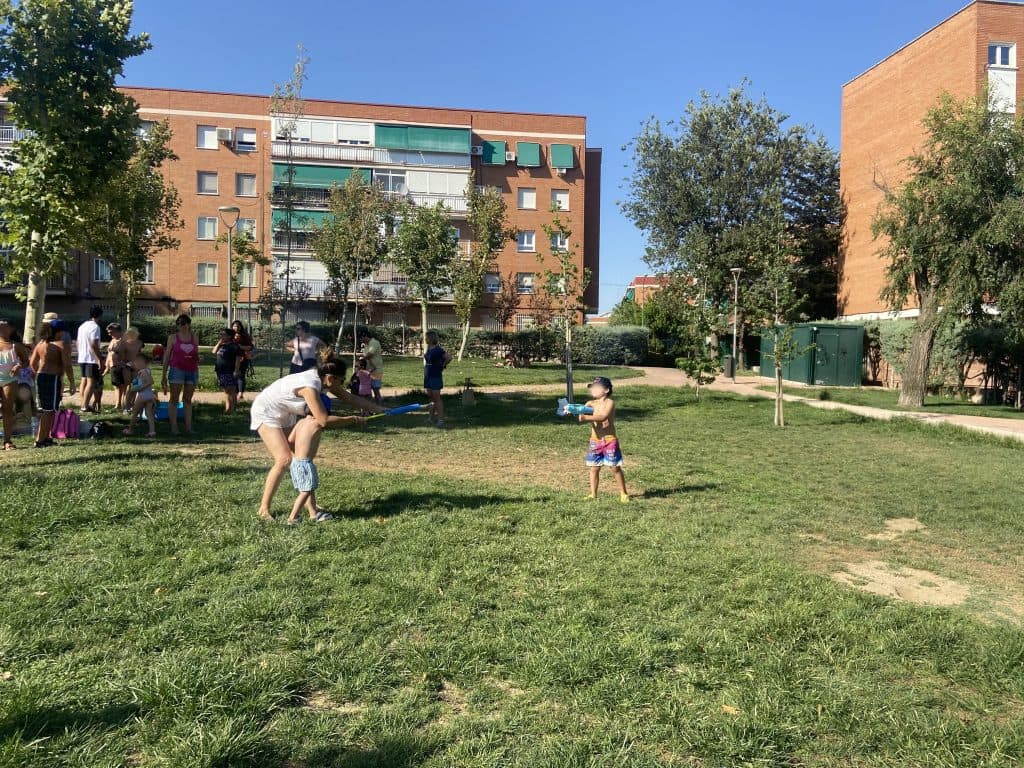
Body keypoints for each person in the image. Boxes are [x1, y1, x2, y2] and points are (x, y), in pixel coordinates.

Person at [250, 354, 382, 521]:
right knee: (284, 459)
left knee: (300, 458)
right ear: (330, 378)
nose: (341, 385)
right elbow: (323, 420)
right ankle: (264, 509)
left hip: (285, 412)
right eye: (341, 380)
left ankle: (311, 508)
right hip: (266, 411)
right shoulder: (310, 387)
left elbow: (350, 398)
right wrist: (352, 419)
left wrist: (380, 409)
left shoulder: (324, 379)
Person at [284, 411, 364, 524]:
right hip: (305, 463)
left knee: (308, 489)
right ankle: (293, 517)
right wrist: (353, 418)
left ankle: (313, 514)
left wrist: (298, 453)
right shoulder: (317, 422)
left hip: (296, 462)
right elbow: (334, 421)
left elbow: (290, 441)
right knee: (305, 491)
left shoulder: (300, 422)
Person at [579, 376, 629, 503]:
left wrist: (585, 418)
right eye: (592, 388)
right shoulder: (590, 403)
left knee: (614, 468)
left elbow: (602, 416)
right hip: (595, 441)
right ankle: (593, 494)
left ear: (606, 390)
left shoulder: (609, 403)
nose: (593, 390)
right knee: (594, 468)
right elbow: (581, 417)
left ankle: (623, 493)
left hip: (609, 441)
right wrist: (574, 410)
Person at [29, 320, 70, 449]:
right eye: (62, 331)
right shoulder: (61, 344)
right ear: (59, 332)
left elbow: (32, 363)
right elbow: (67, 364)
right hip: (52, 378)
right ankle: (39, 440)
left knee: (50, 410)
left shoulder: (41, 344)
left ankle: (46, 437)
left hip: (41, 377)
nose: (63, 334)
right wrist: (72, 382)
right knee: (49, 410)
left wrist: (36, 375)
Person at [161, 314, 200, 435]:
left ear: (188, 324)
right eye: (178, 323)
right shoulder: (173, 338)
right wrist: (163, 374)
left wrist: (199, 358)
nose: (180, 326)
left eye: (182, 323)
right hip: (176, 370)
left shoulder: (194, 337)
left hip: (191, 370)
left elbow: (196, 354)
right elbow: (167, 355)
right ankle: (174, 427)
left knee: (187, 399)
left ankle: (189, 427)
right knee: (174, 399)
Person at [0, 318, 31, 450]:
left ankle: (7, 441)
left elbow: (26, 362)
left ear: (10, 329)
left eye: (3, 326)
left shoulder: (15, 346)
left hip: (9, 381)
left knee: (7, 410)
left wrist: (19, 366)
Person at [76, 306, 103, 413]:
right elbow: (93, 344)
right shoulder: (95, 327)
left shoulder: (82, 326)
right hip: (91, 359)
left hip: (82, 357)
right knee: (91, 382)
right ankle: (85, 406)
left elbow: (78, 343)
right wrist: (99, 359)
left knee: (84, 380)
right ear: (100, 315)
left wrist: (81, 353)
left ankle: (83, 403)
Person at [123, 352, 157, 438]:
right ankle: (152, 431)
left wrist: (140, 388)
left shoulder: (143, 371)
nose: (135, 364)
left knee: (134, 413)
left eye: (137, 362)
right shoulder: (146, 371)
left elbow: (150, 381)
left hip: (143, 395)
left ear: (143, 363)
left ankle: (130, 430)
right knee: (149, 414)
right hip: (149, 395)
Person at [423, 330, 451, 427]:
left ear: (431, 338)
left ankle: (441, 420)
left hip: (435, 375)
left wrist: (443, 366)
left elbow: (449, 357)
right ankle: (431, 418)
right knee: (431, 397)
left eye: (426, 337)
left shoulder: (438, 349)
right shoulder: (428, 348)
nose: (425, 338)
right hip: (428, 375)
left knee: (437, 398)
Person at [42, 312, 75, 394]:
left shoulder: (46, 335)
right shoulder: (63, 333)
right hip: (53, 367)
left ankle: (59, 395)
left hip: (51, 366)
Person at [212, 327, 242, 414]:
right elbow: (213, 352)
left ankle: (231, 409)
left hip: (229, 371)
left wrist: (236, 370)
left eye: (223, 334)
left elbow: (238, 359)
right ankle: (228, 408)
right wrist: (219, 343)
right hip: (220, 371)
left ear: (229, 336)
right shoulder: (222, 345)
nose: (221, 336)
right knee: (226, 391)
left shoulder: (235, 346)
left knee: (231, 390)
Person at [103, 322, 129, 412]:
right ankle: (118, 404)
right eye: (108, 332)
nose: (109, 334)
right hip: (113, 366)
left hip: (121, 367)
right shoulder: (113, 340)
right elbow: (109, 355)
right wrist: (106, 367)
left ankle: (121, 405)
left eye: (111, 332)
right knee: (116, 386)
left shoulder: (123, 341)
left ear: (118, 331)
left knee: (122, 386)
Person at [120, 327, 143, 412]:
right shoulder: (124, 343)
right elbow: (121, 356)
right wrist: (126, 363)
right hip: (127, 366)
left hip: (136, 366)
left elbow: (139, 354)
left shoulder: (139, 343)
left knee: (135, 386)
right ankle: (125, 406)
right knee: (127, 386)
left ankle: (132, 405)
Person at [359, 330, 384, 404]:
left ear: (365, 336)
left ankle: (379, 407)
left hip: (376, 370)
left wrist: (361, 359)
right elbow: (365, 356)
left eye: (361, 338)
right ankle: (370, 408)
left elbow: (369, 355)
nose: (361, 340)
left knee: (375, 389)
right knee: (367, 391)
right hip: (368, 371)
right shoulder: (366, 345)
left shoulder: (374, 343)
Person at [231, 320, 254, 399]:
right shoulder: (229, 336)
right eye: (234, 326)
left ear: (240, 327)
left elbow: (250, 347)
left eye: (238, 326)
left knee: (240, 375)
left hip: (243, 359)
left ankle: (240, 393)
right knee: (233, 376)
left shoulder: (245, 336)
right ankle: (235, 392)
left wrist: (240, 347)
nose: (236, 328)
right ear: (232, 327)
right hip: (231, 359)